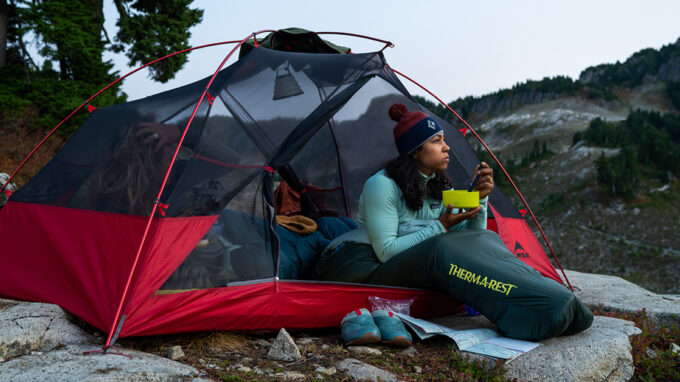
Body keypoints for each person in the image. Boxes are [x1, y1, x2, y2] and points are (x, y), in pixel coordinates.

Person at [314, 103, 593, 341]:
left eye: (444, 139)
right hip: (359, 265)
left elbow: (474, 239)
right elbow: (386, 250)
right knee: (440, 249)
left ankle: (555, 298)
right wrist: (441, 226)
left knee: (485, 239)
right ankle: (527, 314)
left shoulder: (438, 186)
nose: (446, 147)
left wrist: (481, 200)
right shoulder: (382, 185)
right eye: (437, 141)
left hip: (403, 261)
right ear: (415, 151)